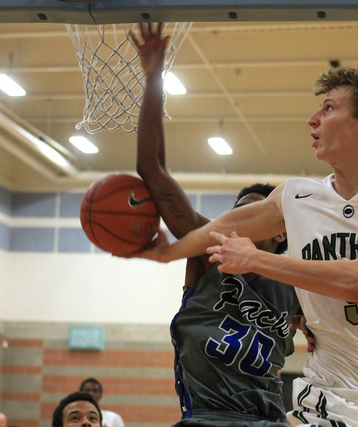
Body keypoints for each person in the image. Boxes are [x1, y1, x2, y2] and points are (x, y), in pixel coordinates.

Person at [125, 24, 358, 427]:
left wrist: (258, 263)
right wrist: (166, 251)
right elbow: (218, 224)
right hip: (326, 395)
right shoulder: (295, 197)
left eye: (328, 109)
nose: (313, 119)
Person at [129, 23, 301, 426]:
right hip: (207, 418)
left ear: (280, 231)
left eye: (253, 214)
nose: (238, 222)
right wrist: (154, 78)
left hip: (269, 419)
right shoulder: (209, 254)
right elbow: (150, 168)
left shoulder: (300, 281)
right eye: (235, 212)